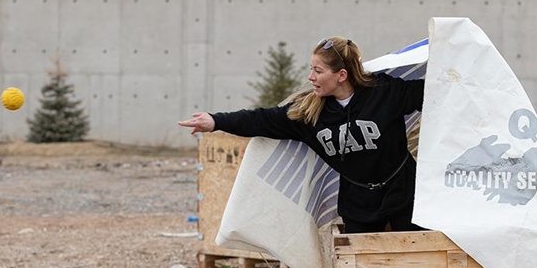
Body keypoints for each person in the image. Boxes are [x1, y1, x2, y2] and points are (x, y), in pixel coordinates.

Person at [178, 37, 425, 233]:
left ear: (341, 75)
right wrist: (216, 121)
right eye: (311, 69)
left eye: (318, 70)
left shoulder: (385, 92)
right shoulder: (309, 113)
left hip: (405, 194)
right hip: (359, 202)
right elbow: (262, 119)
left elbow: (435, 91)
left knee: (421, 260)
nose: (310, 77)